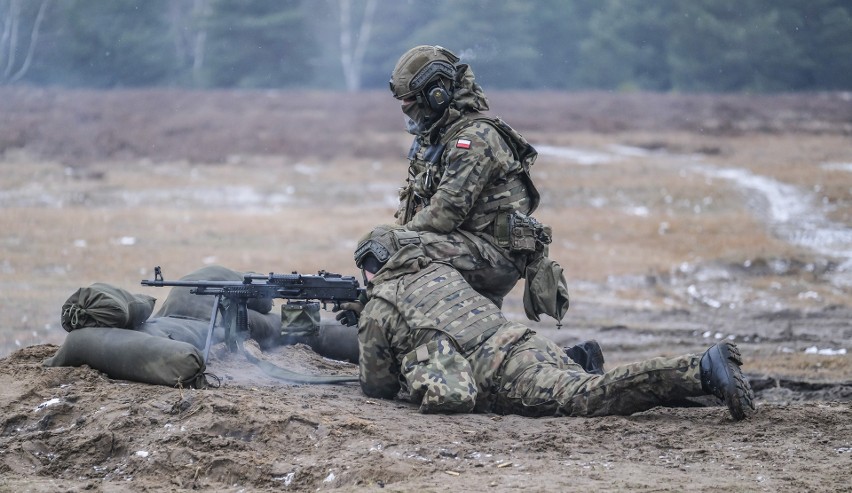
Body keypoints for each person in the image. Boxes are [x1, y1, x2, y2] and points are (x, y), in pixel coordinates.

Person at [353, 225, 756, 420]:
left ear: (371, 268)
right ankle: (695, 388)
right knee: (590, 384)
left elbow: (377, 386)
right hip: (526, 343)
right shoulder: (441, 272)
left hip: (505, 372)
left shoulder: (381, 306)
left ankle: (703, 369)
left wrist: (371, 329)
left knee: (588, 397)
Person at [386, 45, 568, 321]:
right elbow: (416, 208)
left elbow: (443, 216)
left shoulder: (474, 139)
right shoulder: (438, 136)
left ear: (437, 94)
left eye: (411, 101)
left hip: (493, 255)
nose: (406, 110)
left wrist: (392, 245)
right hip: (466, 246)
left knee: (386, 244)